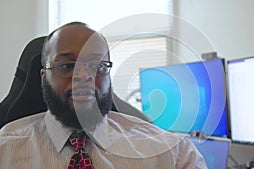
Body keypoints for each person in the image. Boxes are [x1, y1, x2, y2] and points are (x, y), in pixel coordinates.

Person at [0, 22, 207, 169]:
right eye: (66, 66)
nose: (83, 76)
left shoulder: (172, 154)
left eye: (97, 65)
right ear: (44, 77)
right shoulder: (5, 151)